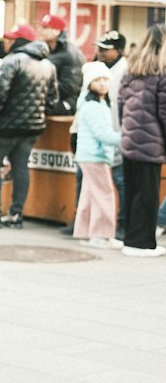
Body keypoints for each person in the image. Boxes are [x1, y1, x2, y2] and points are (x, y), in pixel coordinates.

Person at [0, 23, 58, 228]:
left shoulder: (13, 61)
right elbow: (52, 100)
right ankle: (16, 213)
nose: (8, 42)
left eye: (12, 38)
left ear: (21, 41)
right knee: (21, 166)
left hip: (4, 127)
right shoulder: (49, 65)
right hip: (31, 128)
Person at [118, 21, 166, 257]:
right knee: (147, 194)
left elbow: (120, 104)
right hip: (152, 141)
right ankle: (142, 244)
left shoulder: (132, 68)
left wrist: (126, 130)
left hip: (129, 139)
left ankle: (130, 238)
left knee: (132, 190)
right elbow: (164, 112)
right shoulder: (162, 73)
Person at [72, 62, 123, 248]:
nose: (102, 83)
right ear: (89, 83)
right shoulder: (94, 106)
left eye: (105, 79)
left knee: (89, 194)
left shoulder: (90, 103)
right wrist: (126, 138)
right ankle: (101, 235)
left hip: (89, 155)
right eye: (97, 80)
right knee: (105, 194)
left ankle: (86, 232)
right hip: (96, 156)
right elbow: (103, 135)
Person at [95, 29, 128, 239]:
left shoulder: (125, 71)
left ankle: (123, 221)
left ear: (118, 51)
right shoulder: (102, 69)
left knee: (120, 180)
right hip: (108, 132)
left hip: (119, 134)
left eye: (105, 50)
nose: (100, 52)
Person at [37, 13, 84, 115]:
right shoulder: (47, 50)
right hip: (50, 99)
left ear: (56, 31)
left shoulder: (70, 53)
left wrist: (39, 89)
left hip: (67, 103)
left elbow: (68, 88)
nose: (41, 30)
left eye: (45, 28)